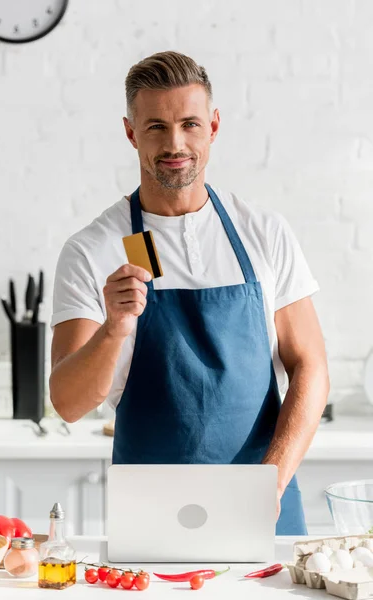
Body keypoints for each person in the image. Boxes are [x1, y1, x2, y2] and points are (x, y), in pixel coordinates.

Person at [50, 51, 329, 535]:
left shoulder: (263, 233)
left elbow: (312, 367)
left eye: (190, 124)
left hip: (266, 503)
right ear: (131, 132)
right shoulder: (94, 250)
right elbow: (68, 404)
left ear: (214, 125)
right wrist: (114, 329)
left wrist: (271, 483)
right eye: (156, 126)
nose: (174, 143)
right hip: (151, 516)